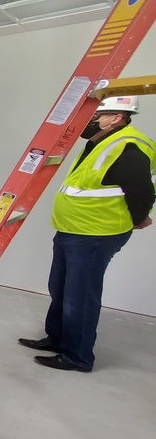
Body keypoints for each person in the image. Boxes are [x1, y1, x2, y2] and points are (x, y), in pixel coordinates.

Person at [18, 95, 155, 372]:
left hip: (96, 233)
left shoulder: (128, 147)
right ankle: (56, 339)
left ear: (116, 117)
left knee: (79, 296)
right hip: (73, 229)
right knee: (60, 289)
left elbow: (141, 191)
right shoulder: (97, 143)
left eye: (95, 114)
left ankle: (77, 356)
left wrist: (139, 219)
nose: (89, 120)